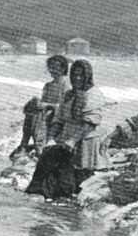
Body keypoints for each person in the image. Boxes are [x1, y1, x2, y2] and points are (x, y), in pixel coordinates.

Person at [25, 59, 107, 198]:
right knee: (59, 172)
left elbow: (90, 122)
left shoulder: (94, 94)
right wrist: (50, 138)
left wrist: (73, 140)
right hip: (66, 137)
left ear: (88, 76)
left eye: (81, 75)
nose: (77, 78)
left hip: (85, 140)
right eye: (74, 75)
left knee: (82, 177)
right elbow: (59, 119)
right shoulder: (69, 94)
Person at [17, 55, 70, 156]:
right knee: (31, 110)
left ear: (63, 68)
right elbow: (44, 103)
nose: (52, 70)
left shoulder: (66, 85)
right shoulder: (48, 85)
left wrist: (46, 105)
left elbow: (66, 107)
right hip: (49, 114)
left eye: (55, 67)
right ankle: (25, 144)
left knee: (38, 115)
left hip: (60, 117)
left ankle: (38, 147)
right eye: (50, 67)